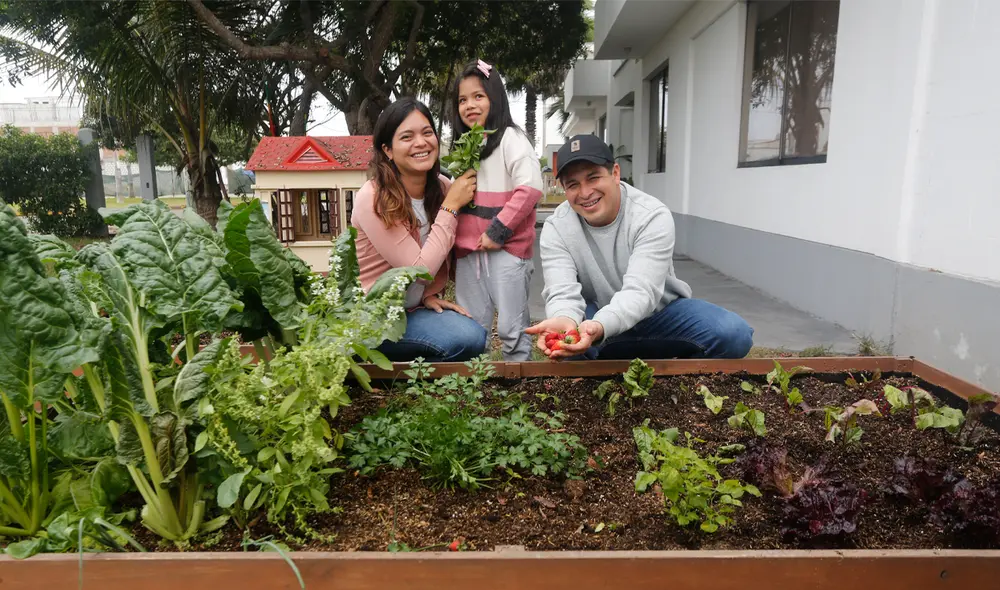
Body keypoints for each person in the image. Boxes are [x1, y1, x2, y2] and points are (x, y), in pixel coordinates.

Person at [525, 134, 754, 361]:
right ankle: (601, 379)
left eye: (593, 178)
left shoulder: (650, 215)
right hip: (596, 320)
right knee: (568, 346)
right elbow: (562, 291)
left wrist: (601, 325)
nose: (585, 193)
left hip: (661, 315)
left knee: (733, 334)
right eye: (573, 185)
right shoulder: (557, 228)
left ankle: (677, 381)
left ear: (615, 173)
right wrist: (565, 319)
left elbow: (641, 291)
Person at [351, 97, 488, 362]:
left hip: (412, 311)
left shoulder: (444, 188)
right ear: (387, 150)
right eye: (406, 137)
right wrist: (450, 209)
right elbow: (419, 269)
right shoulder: (372, 197)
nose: (421, 143)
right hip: (374, 316)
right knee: (467, 339)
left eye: (427, 133)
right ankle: (373, 362)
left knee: (471, 335)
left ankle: (404, 366)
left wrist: (427, 294)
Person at [449, 59, 542, 361]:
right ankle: (476, 384)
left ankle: (519, 379)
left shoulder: (511, 139)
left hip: (506, 249)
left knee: (512, 325)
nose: (469, 105)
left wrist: (497, 230)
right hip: (469, 251)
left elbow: (529, 189)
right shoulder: (466, 146)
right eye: (462, 99)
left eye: (479, 96)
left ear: (495, 97)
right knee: (472, 324)